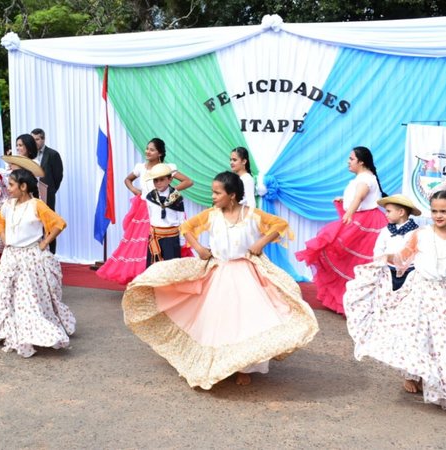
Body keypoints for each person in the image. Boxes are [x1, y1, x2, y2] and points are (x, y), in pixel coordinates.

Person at [122, 172, 319, 389]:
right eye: (213, 192)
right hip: (220, 273)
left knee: (246, 322)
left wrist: (261, 242)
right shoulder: (212, 215)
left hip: (246, 274)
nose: (213, 196)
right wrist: (199, 249)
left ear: (232, 195)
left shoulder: (252, 215)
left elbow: (279, 225)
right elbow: (186, 228)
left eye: (217, 193)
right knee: (219, 321)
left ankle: (243, 367)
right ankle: (222, 364)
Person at [344, 190, 446, 410]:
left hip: (445, 292)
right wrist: (388, 258)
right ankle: (411, 375)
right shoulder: (421, 234)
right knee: (416, 335)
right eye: (434, 210)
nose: (438, 215)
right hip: (420, 289)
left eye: (444, 211)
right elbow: (403, 258)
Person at [0, 169, 75, 357]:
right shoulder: (8, 205)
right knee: (4, 294)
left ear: (23, 187)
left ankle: (35, 332)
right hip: (10, 257)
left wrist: (44, 243)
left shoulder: (36, 205)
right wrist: (5, 237)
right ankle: (8, 329)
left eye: (11, 185)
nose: (7, 189)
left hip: (30, 258)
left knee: (28, 298)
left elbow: (58, 223)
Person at [296, 146, 388, 314]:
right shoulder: (364, 177)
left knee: (350, 256)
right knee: (349, 258)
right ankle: (350, 298)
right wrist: (344, 199)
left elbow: (360, 197)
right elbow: (359, 196)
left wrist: (349, 214)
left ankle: (361, 302)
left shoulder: (366, 178)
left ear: (361, 162)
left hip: (365, 221)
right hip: (363, 218)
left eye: (351, 159)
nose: (348, 162)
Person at [97, 137, 193, 285]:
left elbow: (188, 181)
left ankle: (163, 279)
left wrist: (170, 193)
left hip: (163, 208)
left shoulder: (166, 168)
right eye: (147, 148)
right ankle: (143, 278)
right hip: (144, 208)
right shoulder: (141, 167)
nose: (148, 151)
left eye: (152, 149)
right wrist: (136, 191)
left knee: (162, 241)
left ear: (159, 153)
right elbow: (127, 180)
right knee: (141, 244)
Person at [373, 194, 421, 291]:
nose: (386, 214)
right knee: (386, 294)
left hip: (409, 272)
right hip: (387, 270)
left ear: (401, 212)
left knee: (405, 295)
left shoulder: (416, 232)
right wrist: (379, 261)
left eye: (389, 211)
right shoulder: (386, 230)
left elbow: (417, 253)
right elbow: (378, 248)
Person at [143, 163, 185, 266]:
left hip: (171, 238)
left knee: (171, 268)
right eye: (155, 180)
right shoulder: (150, 197)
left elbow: (181, 219)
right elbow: (150, 215)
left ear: (170, 179)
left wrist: (182, 239)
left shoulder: (176, 197)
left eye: (162, 179)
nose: (158, 183)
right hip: (156, 236)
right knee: (154, 268)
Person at [31, 128, 63, 254]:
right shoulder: (30, 155)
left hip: (47, 193)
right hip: (33, 194)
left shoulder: (52, 154)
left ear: (43, 139)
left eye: (37, 139)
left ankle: (51, 253)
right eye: (33, 140)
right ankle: (36, 251)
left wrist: (51, 190)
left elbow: (58, 176)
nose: (35, 142)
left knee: (49, 222)